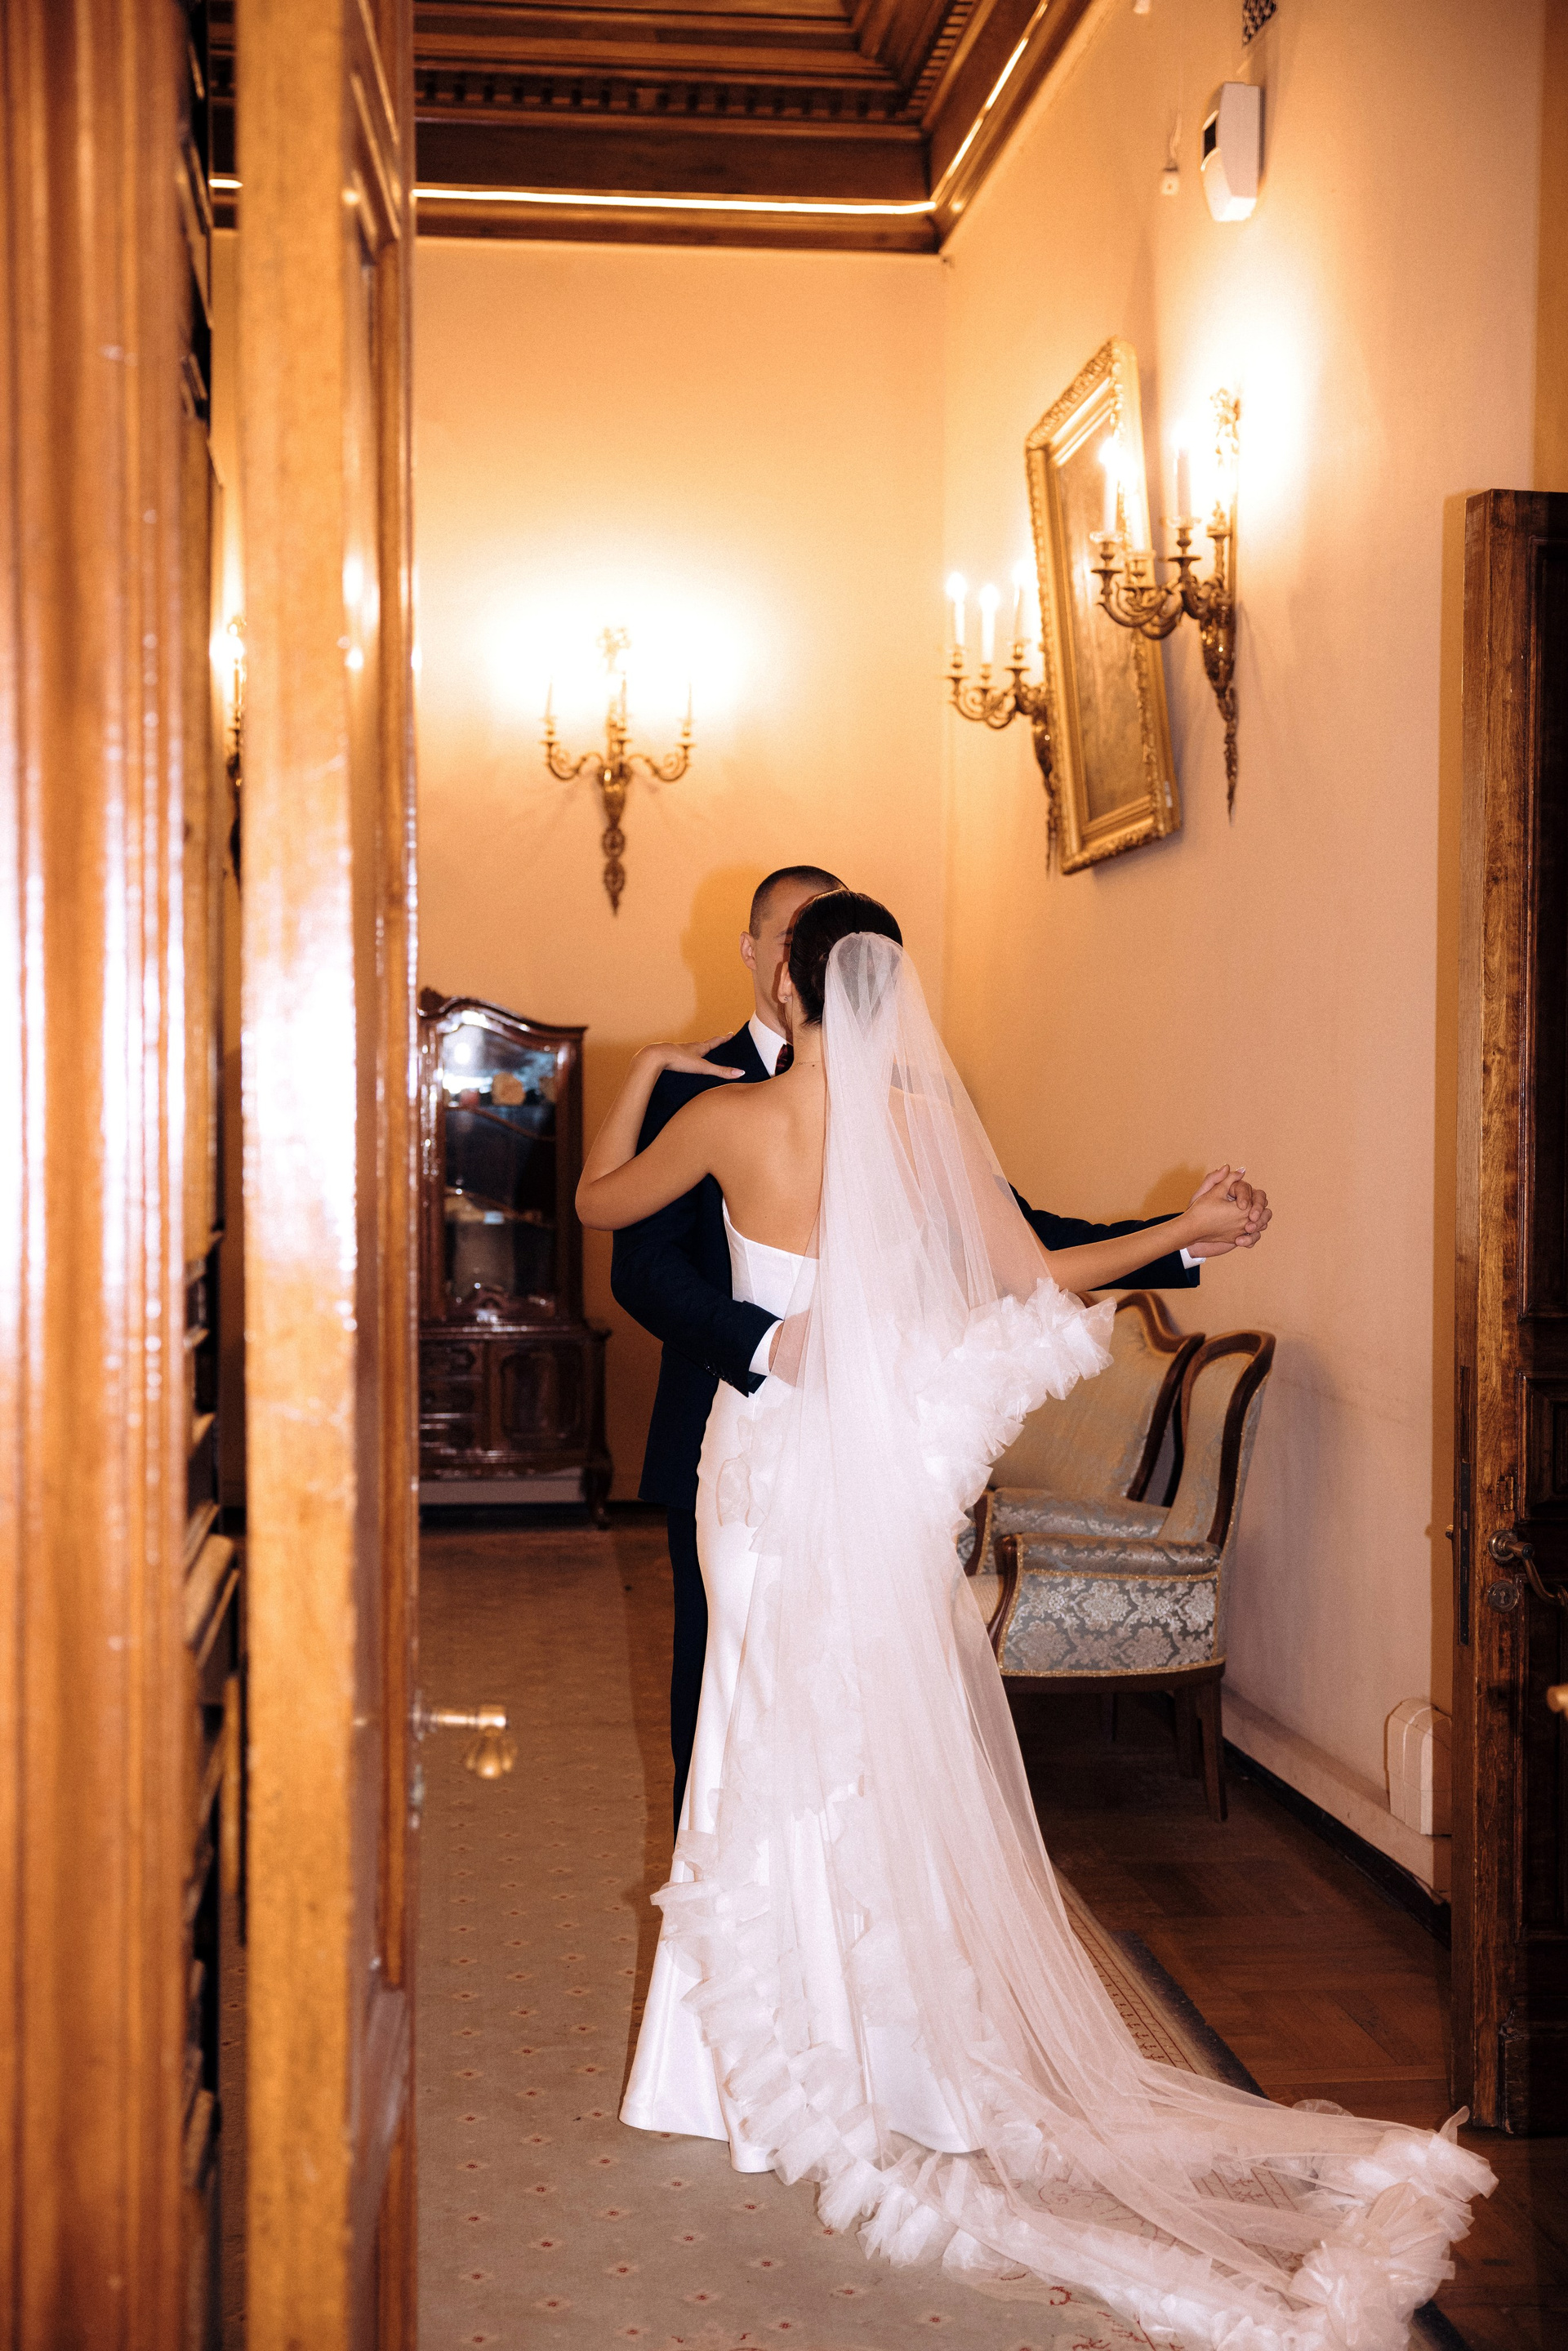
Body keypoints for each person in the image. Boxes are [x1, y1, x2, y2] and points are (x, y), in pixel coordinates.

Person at [578, 891, 1491, 2349]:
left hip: (754, 1479)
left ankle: (728, 2070)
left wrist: (640, 1078)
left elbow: (600, 1206)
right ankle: (890, 2056)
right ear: (886, 990)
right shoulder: (924, 1126)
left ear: (790, 989)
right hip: (875, 1485)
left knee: (748, 1736)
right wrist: (1188, 1225)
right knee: (868, 1744)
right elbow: (1038, 1272)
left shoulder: (723, 1120)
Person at [610, 864, 1272, 1827]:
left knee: (852, 1697)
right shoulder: (692, 1084)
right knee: (718, 1690)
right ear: (759, 952)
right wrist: (765, 1341)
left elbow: (1018, 1237)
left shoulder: (910, 1109)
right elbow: (642, 1267)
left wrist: (1182, 1238)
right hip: (734, 1429)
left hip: (863, 1444)